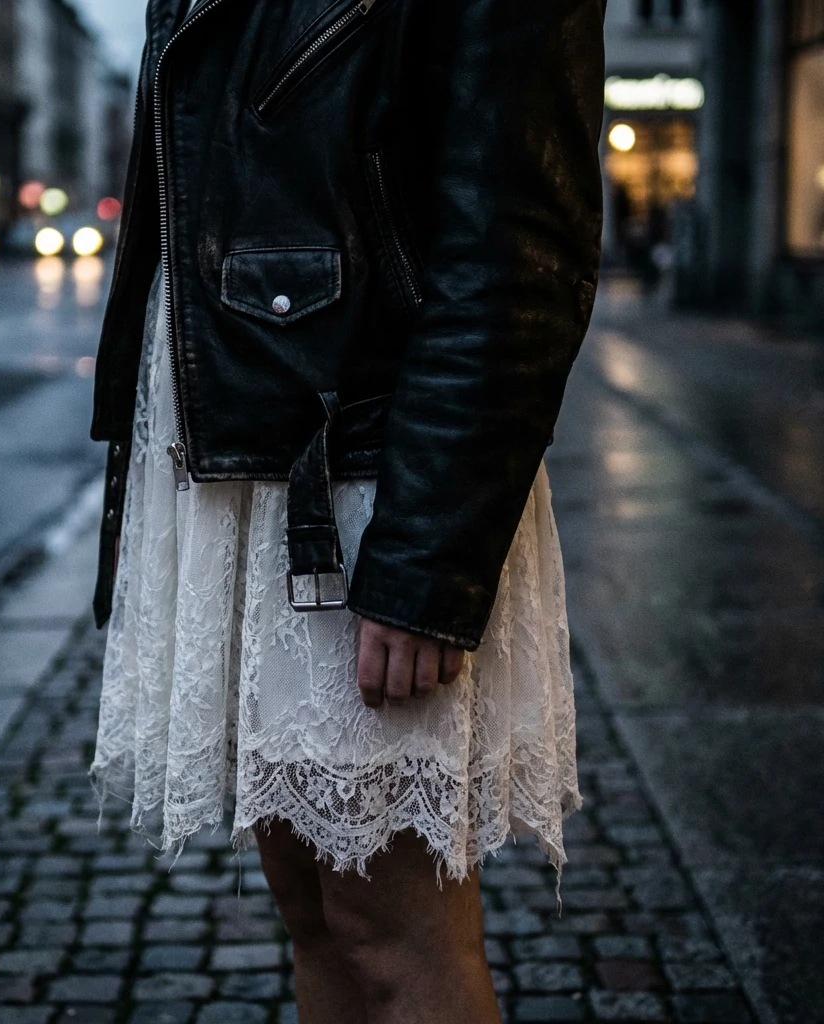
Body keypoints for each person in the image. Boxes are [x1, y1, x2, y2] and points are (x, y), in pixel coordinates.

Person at [89, 1, 606, 1021]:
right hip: (245, 455)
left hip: (367, 478)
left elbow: (518, 252)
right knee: (315, 917)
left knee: (392, 933)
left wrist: (425, 560)